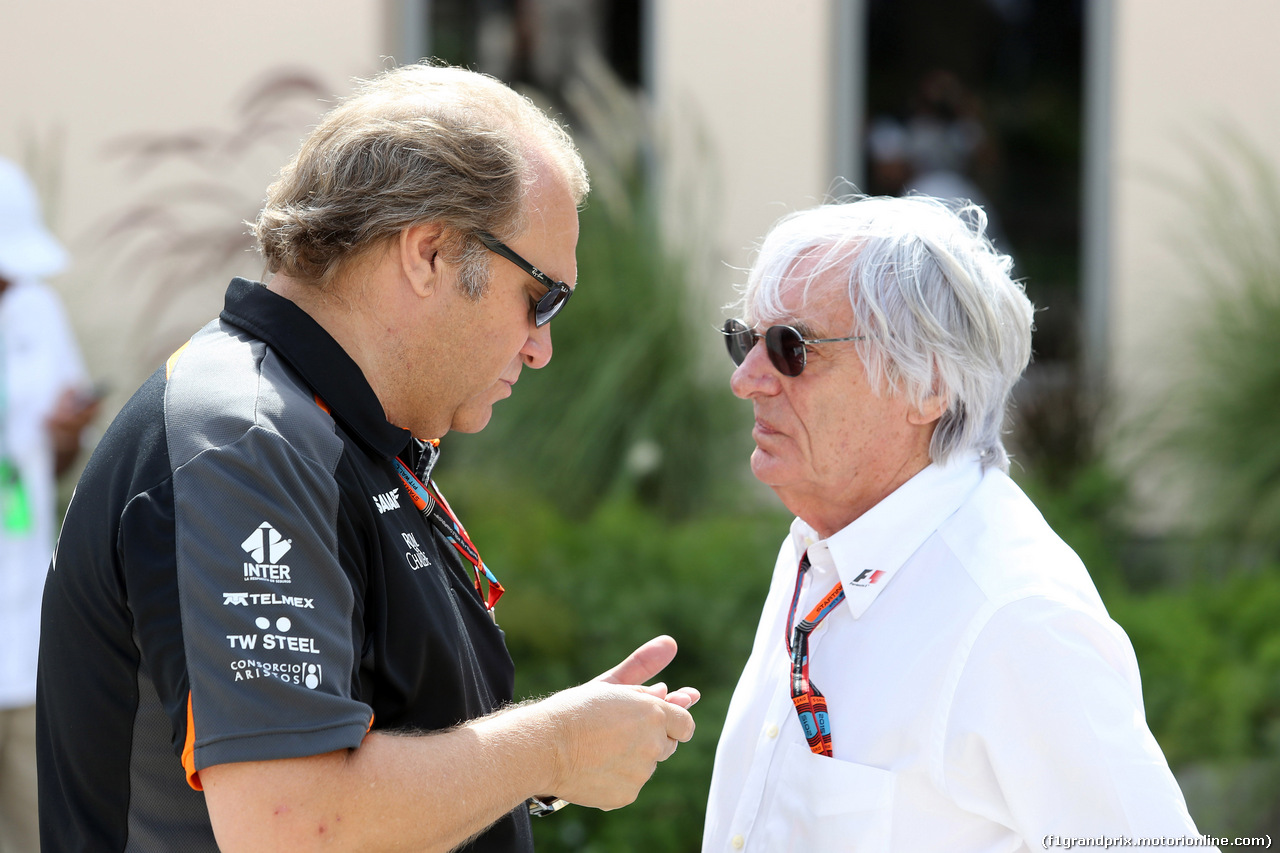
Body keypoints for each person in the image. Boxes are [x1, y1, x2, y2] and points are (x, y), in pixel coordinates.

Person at [37, 63, 696, 852]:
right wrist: (548, 745)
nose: (543, 346)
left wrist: (555, 754)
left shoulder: (327, 425)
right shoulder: (248, 439)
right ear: (429, 254)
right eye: (543, 296)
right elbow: (295, 822)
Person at [702, 195, 1209, 851]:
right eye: (744, 339)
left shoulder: (1016, 616)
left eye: (789, 347)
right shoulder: (826, 536)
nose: (746, 378)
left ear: (928, 383)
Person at [0, 156, 98, 853]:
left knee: (36, 819)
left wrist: (67, 434)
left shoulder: (32, 307)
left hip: (20, 612)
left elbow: (56, 450)